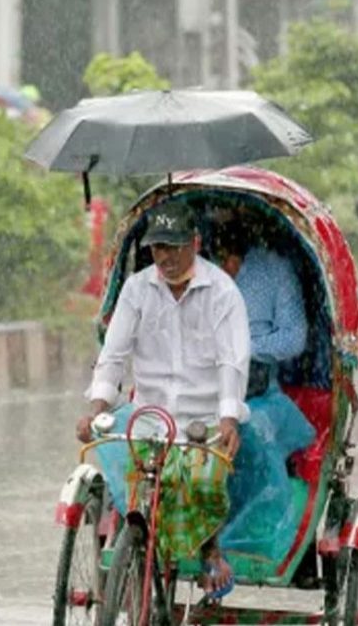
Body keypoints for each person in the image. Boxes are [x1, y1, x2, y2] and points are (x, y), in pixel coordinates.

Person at [77, 199, 249, 594]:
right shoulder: (137, 290)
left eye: (174, 247)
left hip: (203, 420)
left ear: (196, 242)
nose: (166, 258)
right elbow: (113, 356)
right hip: (149, 416)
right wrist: (96, 409)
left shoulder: (223, 293)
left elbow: (232, 363)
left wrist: (228, 418)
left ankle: (208, 548)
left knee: (204, 481)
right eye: (158, 249)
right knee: (131, 480)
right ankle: (135, 546)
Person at [212, 216, 316, 562]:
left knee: (252, 435)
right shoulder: (187, 276)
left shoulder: (274, 272)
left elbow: (293, 337)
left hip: (257, 395)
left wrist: (243, 349)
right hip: (197, 389)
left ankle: (252, 537)